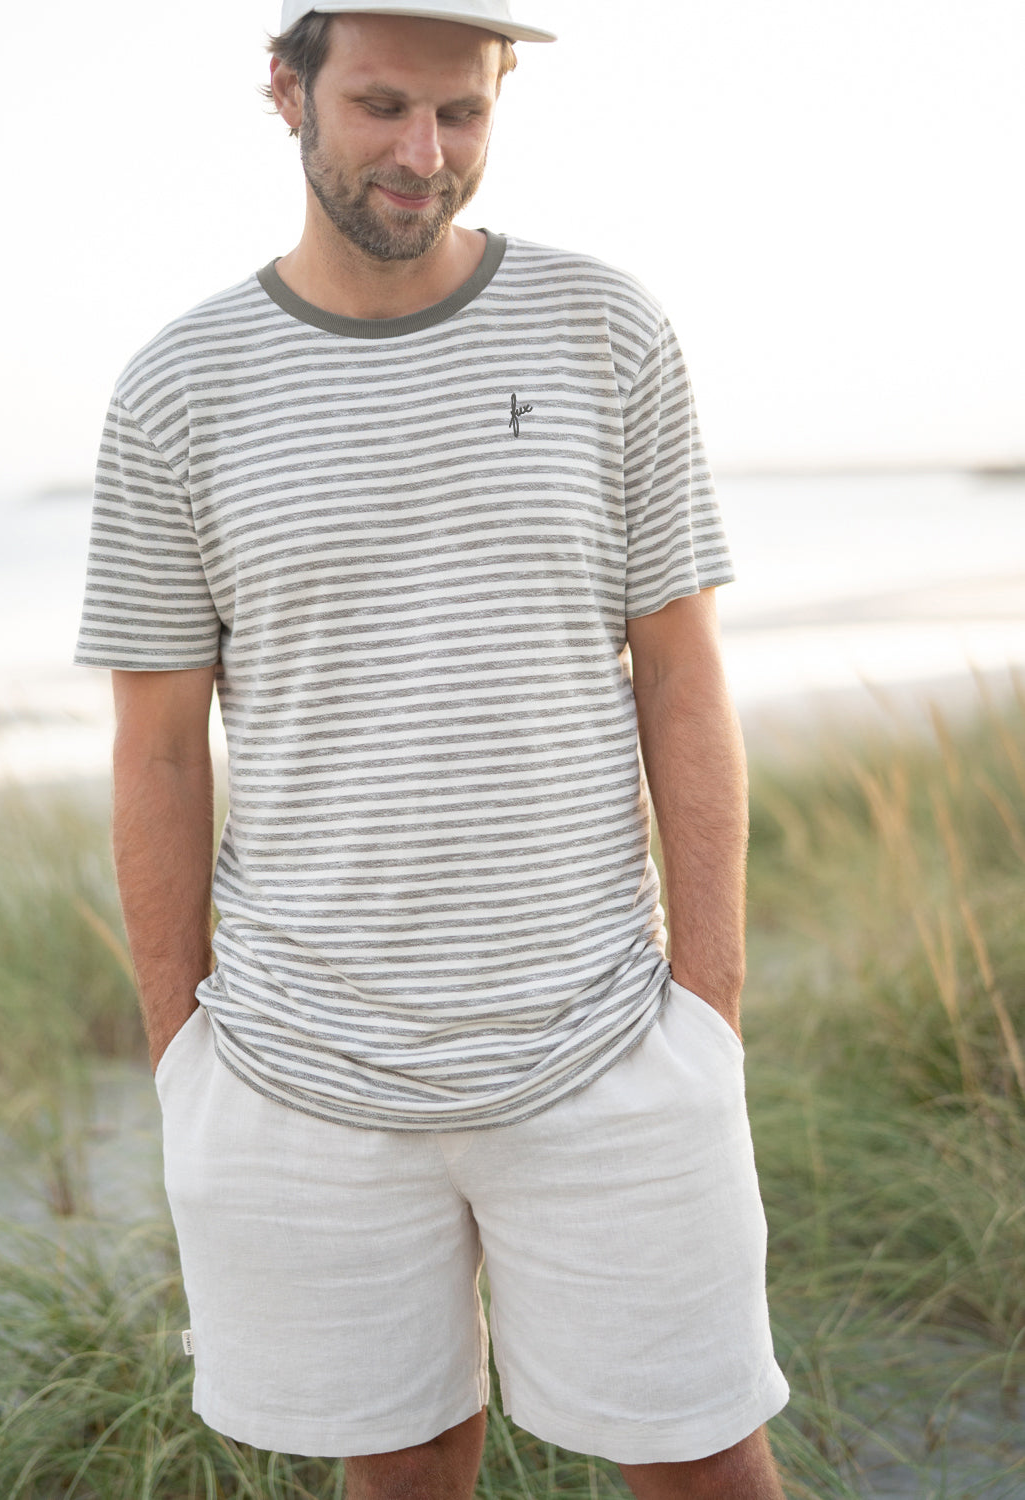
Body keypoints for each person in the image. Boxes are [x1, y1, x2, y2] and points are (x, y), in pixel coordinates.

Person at [75, 2, 790, 1495]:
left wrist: (708, 1011)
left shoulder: (605, 328)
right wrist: (181, 1056)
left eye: (461, 113)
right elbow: (157, 751)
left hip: (607, 1045)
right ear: (287, 91)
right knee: (404, 1472)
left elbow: (679, 672)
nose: (423, 153)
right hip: (295, 1071)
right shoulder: (176, 390)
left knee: (706, 1465)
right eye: (381, 106)